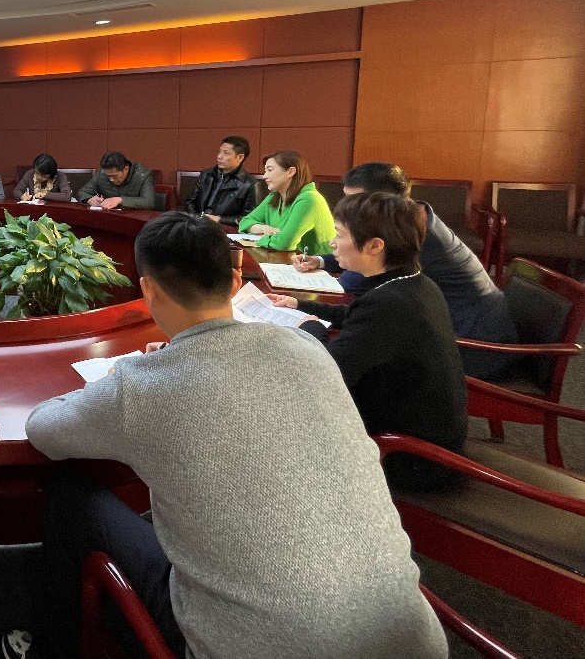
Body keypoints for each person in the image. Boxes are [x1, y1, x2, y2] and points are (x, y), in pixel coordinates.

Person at [26, 213, 446, 659]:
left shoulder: (140, 388)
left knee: (71, 497)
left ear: (147, 289)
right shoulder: (308, 349)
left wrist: (121, 378)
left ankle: (48, 649)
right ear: (233, 282)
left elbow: (42, 429)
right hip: (417, 642)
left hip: (250, 647)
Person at [269, 192, 468, 490]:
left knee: (283, 407)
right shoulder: (413, 284)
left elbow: (327, 372)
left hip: (411, 456)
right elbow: (356, 314)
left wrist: (312, 327)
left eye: (339, 234)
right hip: (425, 431)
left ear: (375, 246)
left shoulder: (389, 302)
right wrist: (300, 305)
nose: (332, 243)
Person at [291, 162, 517, 376]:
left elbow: (353, 284)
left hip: (476, 347)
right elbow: (364, 257)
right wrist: (320, 261)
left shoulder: (418, 241)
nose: (350, 207)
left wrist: (311, 323)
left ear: (384, 202)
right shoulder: (409, 220)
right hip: (450, 333)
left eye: (357, 200)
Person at [237, 150, 335, 252]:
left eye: (270, 170)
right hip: (287, 258)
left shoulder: (309, 199)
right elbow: (244, 222)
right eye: (265, 171)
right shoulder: (274, 196)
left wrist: (261, 238)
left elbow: (284, 244)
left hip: (316, 260)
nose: (265, 176)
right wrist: (263, 229)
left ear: (291, 172)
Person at [182, 135, 258, 226]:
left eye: (226, 153)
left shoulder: (250, 185)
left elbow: (250, 218)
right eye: (219, 151)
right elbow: (190, 202)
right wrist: (197, 219)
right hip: (198, 225)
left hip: (224, 229)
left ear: (240, 157)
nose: (219, 156)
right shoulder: (206, 175)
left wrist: (220, 219)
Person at [75, 151, 155, 209]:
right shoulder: (102, 174)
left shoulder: (143, 175)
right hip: (109, 216)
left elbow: (148, 202)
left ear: (126, 169)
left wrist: (120, 200)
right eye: (108, 176)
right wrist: (89, 199)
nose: (111, 179)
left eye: (114, 176)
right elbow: (82, 192)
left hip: (134, 217)